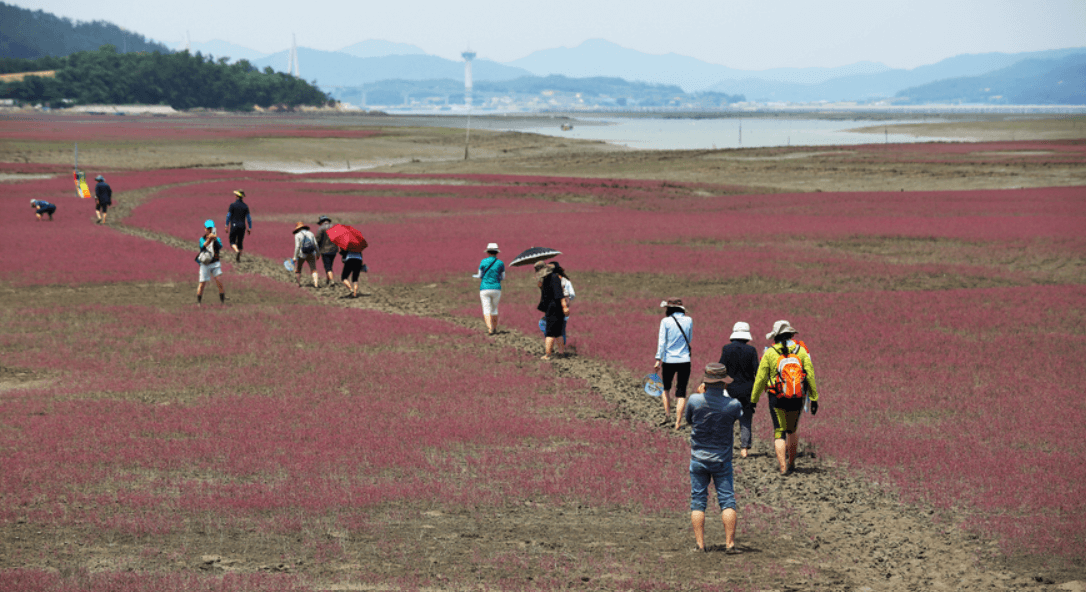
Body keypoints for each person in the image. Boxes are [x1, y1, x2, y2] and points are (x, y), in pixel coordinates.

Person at [685, 362, 743, 554]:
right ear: (724, 383)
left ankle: (700, 545)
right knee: (727, 501)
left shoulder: (694, 400)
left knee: (698, 501)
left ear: (706, 382)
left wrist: (701, 394)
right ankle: (730, 544)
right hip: (722, 460)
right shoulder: (733, 405)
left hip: (698, 458)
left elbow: (689, 419)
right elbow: (737, 415)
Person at [750, 320, 820, 476]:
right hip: (797, 397)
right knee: (792, 430)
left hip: (776, 398)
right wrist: (814, 398)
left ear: (775, 336)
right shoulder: (801, 351)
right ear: (791, 334)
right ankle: (792, 462)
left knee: (779, 431)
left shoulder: (769, 353)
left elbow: (760, 379)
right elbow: (810, 375)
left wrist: (753, 400)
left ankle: (782, 467)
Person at [719, 322, 759, 458]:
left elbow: (720, 368)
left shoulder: (726, 349)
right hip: (748, 390)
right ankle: (744, 449)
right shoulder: (752, 350)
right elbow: (757, 371)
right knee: (746, 419)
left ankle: (727, 448)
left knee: (728, 419)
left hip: (729, 389)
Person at [655, 298, 693, 430]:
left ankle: (667, 415)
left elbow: (662, 342)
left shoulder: (665, 321)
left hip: (668, 360)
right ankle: (678, 422)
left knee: (665, 388)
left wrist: (658, 359)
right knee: (681, 392)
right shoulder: (689, 320)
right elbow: (690, 338)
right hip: (685, 360)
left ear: (669, 309)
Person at [535, 260, 568, 360]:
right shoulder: (550, 278)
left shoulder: (553, 278)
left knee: (549, 332)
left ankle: (548, 354)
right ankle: (561, 353)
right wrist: (541, 288)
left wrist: (564, 307)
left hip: (553, 308)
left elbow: (559, 295)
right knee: (558, 332)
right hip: (554, 307)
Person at [477, 243, 506, 335]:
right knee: (494, 309)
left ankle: (490, 328)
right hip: (496, 288)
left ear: (488, 252)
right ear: (497, 252)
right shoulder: (500, 263)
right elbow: (503, 277)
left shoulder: (483, 262)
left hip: (484, 288)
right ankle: (494, 327)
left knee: (486, 309)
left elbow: (480, 275)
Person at [196, 219, 225, 304]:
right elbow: (202, 247)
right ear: (205, 229)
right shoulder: (202, 239)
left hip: (215, 263)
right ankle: (199, 303)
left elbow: (220, 247)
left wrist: (215, 239)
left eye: (211, 228)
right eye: (208, 228)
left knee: (219, 281)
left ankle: (222, 302)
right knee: (202, 284)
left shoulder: (217, 238)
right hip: (205, 264)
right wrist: (209, 240)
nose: (209, 230)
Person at [551, 262, 575, 356]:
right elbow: (572, 294)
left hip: (553, 307)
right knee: (562, 328)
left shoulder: (550, 280)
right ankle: (562, 349)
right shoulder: (566, 281)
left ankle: (551, 347)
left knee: (549, 327)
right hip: (565, 306)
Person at [224, 189, 252, 262]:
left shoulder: (232, 205)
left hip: (234, 226)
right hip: (242, 226)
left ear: (236, 196)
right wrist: (250, 227)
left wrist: (226, 225)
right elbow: (249, 218)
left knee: (232, 241)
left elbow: (228, 216)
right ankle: (239, 258)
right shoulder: (245, 206)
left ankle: (236, 251)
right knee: (240, 242)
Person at [292, 222, 320, 288]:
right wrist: (318, 253)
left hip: (302, 254)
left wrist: (295, 257)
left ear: (298, 229)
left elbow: (297, 247)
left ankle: (298, 284)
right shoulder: (311, 233)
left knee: (298, 269)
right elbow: (315, 244)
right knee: (313, 269)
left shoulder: (297, 235)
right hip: (311, 253)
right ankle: (316, 284)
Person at [315, 215, 338, 287]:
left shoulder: (321, 228)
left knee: (327, 266)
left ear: (321, 222)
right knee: (330, 265)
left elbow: (317, 240)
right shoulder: (335, 227)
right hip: (334, 250)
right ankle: (328, 280)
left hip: (325, 250)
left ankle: (331, 280)